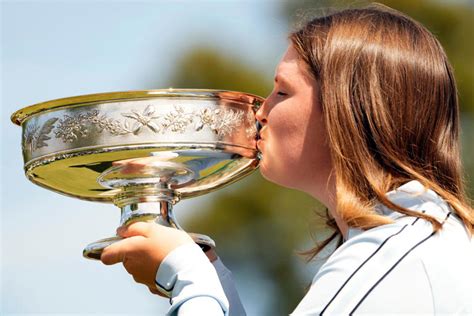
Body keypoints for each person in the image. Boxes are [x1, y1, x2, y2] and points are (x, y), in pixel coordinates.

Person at [100, 4, 474, 315]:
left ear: (347, 109)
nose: (262, 110)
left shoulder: (397, 255)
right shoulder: (404, 241)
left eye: (282, 90)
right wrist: (215, 283)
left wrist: (187, 274)